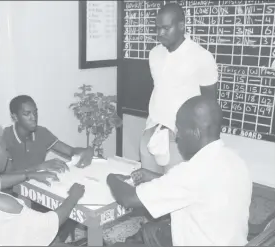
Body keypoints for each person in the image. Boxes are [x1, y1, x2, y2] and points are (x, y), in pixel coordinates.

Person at [107, 96, 253, 246]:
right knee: (150, 230)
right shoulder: (235, 159)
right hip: (226, 240)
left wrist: (110, 177)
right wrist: (155, 177)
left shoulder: (191, 172)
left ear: (195, 132)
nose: (177, 137)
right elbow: (201, 189)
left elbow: (128, 198)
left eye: (179, 129)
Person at [0, 120, 85, 246]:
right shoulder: (1, 202)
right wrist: (73, 197)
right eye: (5, 149)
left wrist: (29, 174)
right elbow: (47, 224)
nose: (7, 154)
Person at [1, 94, 94, 241]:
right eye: (27, 114)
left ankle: (56, 240)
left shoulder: (41, 132)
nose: (33, 117)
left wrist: (88, 150)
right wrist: (39, 167)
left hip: (40, 189)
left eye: (35, 112)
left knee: (73, 207)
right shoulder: (5, 137)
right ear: (15, 117)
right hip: (15, 196)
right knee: (63, 210)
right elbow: (7, 176)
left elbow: (70, 151)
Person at [141, 3, 219, 174]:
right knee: (147, 190)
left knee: (176, 194)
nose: (160, 33)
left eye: (166, 28)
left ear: (181, 26)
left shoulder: (201, 57)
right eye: (158, 28)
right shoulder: (154, 54)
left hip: (182, 138)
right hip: (153, 130)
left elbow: (210, 104)